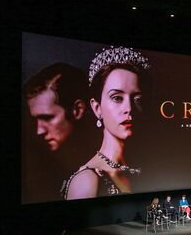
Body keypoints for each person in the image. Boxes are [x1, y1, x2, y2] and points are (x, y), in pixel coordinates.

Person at [63, 46, 149, 200]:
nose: (129, 108)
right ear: (97, 108)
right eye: (117, 98)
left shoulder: (143, 169)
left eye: (137, 100)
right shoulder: (87, 180)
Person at [23, 63, 93, 202]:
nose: (39, 131)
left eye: (47, 118)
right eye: (35, 119)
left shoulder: (101, 166)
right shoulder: (35, 172)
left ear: (77, 110)